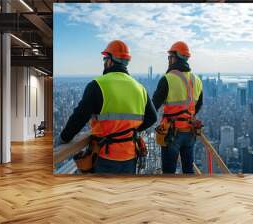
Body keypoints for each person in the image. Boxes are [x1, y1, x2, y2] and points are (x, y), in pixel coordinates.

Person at [59, 40, 157, 174]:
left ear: (110, 61)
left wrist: (64, 138)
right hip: (130, 154)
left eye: (105, 58)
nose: (104, 62)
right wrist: (129, 131)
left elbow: (79, 117)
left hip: (106, 155)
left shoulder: (97, 85)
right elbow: (152, 117)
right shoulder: (140, 88)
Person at [152, 41, 203, 174]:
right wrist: (187, 116)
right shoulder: (196, 80)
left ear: (175, 58)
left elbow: (154, 106)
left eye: (169, 57)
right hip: (190, 131)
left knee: (169, 173)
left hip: (172, 133)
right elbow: (198, 105)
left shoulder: (168, 79)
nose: (168, 60)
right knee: (188, 170)